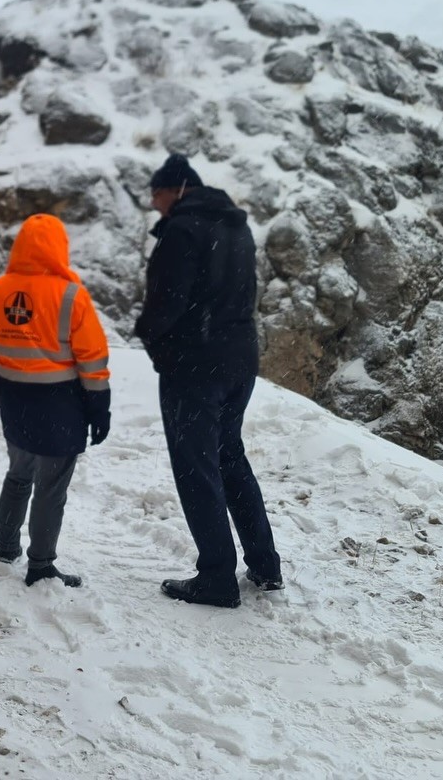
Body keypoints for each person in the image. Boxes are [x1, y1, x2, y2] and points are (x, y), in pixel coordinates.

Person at [134, 153, 281, 608]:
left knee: (196, 467)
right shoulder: (237, 226)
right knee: (229, 456)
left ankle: (217, 577)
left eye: (156, 195)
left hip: (196, 364)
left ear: (174, 189)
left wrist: (154, 343)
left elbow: (167, 302)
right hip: (239, 358)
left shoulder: (182, 229)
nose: (155, 205)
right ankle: (265, 565)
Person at [0, 214, 111, 588]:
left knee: (18, 474)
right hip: (60, 405)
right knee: (51, 487)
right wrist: (99, 409)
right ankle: (41, 565)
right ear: (58, 248)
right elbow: (93, 359)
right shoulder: (71, 295)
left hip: (14, 402)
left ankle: (5, 546)